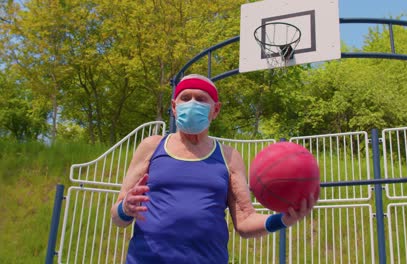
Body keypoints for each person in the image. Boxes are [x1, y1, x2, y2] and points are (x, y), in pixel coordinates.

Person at [111, 74, 316, 263]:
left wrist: (282, 220)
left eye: (200, 99)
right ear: (174, 107)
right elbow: (117, 218)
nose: (192, 104)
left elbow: (245, 221)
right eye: (185, 98)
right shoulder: (152, 146)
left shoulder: (229, 157)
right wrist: (126, 208)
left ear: (215, 109)